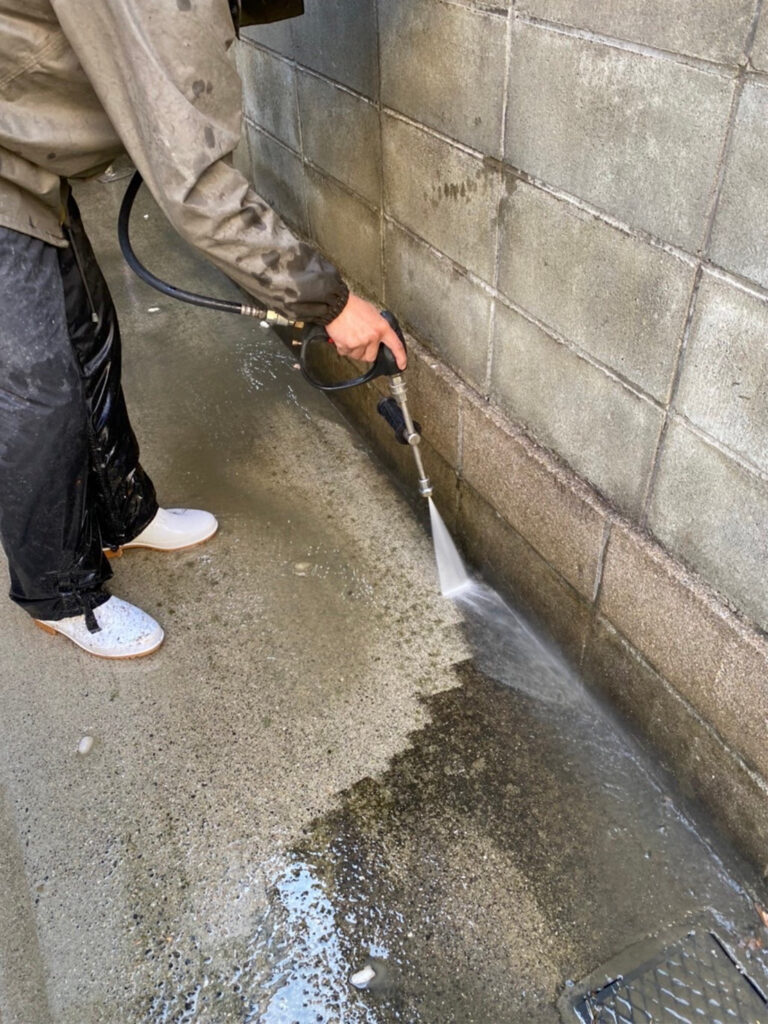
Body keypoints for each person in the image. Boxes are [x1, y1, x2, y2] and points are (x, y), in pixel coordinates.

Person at [0, 0, 405, 659]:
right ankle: (60, 596)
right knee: (39, 394)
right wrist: (331, 303)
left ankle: (121, 517)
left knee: (88, 340)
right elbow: (195, 185)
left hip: (22, 151)